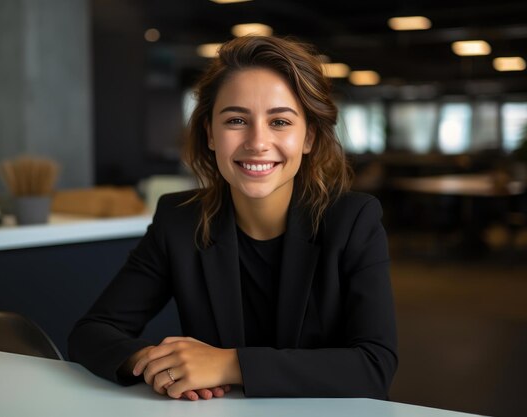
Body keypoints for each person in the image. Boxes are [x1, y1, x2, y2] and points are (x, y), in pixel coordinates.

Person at [68, 35, 397, 400]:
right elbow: (93, 331)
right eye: (237, 119)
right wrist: (154, 362)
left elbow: (374, 365)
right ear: (210, 133)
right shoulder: (179, 221)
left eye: (280, 122)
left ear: (310, 138)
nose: (257, 142)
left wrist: (230, 364)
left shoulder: (353, 222)